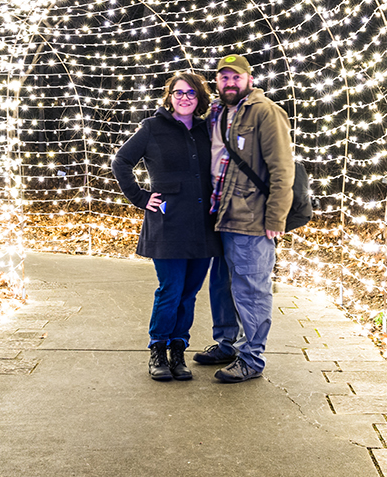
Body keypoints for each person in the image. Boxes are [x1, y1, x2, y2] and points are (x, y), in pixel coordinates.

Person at [111, 70, 221, 381]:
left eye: (191, 93)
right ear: (169, 97)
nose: (185, 98)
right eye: (178, 92)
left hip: (203, 225)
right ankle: (158, 348)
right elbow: (120, 162)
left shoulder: (207, 130)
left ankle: (178, 350)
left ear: (199, 98)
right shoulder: (152, 128)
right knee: (170, 289)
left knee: (189, 292)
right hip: (168, 222)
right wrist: (140, 197)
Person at [200, 53, 293, 383]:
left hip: (253, 219)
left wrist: (276, 218)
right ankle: (226, 343)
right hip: (220, 216)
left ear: (249, 80)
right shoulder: (215, 113)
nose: (229, 83)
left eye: (236, 77)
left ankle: (251, 357)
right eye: (223, 77)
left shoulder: (266, 113)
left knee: (251, 289)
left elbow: (283, 169)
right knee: (222, 286)